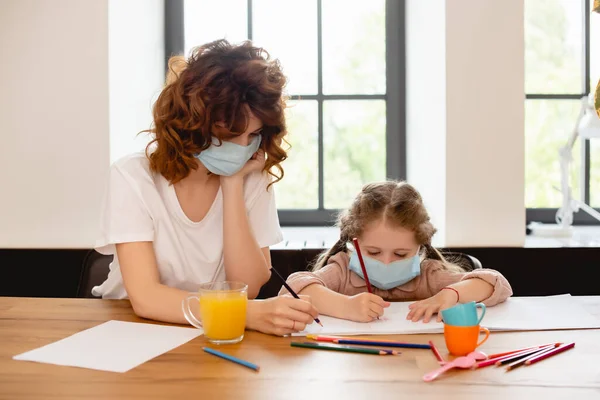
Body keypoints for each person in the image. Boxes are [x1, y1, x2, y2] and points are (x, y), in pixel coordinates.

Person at [93, 39, 318, 336]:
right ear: (190, 124)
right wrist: (244, 314)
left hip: (215, 328)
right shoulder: (132, 175)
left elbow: (248, 286)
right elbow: (146, 298)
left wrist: (233, 183)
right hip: (131, 329)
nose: (241, 148)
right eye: (228, 134)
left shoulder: (252, 176)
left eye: (252, 134)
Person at [279, 181, 513, 323]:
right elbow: (294, 287)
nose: (387, 262)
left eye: (400, 254)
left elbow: (495, 283)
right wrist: (345, 306)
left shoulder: (427, 275)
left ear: (420, 247)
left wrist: (449, 295)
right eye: (373, 252)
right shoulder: (342, 271)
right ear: (353, 242)